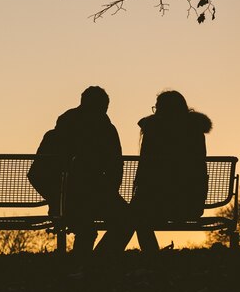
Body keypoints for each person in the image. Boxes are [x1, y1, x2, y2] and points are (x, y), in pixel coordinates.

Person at [28, 86, 132, 255]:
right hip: (94, 198)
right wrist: (109, 192)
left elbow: (36, 174)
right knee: (126, 221)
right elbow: (116, 168)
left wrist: (56, 199)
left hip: (68, 201)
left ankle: (86, 266)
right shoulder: (107, 132)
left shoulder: (57, 134)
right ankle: (98, 261)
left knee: (88, 229)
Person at [132, 90, 212, 251]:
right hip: (191, 204)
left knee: (134, 214)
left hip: (158, 204)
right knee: (135, 213)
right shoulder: (196, 130)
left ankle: (150, 255)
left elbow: (146, 168)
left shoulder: (154, 130)